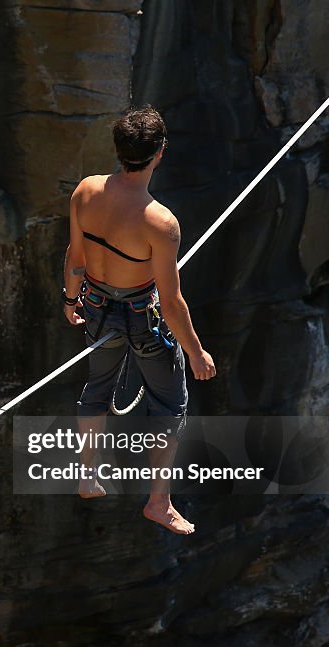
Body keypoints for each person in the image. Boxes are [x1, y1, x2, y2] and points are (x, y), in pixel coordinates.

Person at [61, 105, 215, 535]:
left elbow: (75, 256)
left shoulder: (85, 191)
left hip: (95, 307)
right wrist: (196, 351)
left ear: (119, 149)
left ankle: (86, 475)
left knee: (97, 388)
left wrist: (69, 300)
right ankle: (158, 502)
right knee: (169, 403)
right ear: (159, 153)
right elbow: (172, 302)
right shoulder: (160, 222)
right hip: (141, 316)